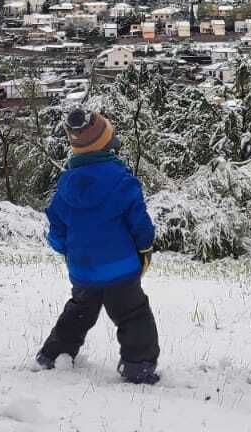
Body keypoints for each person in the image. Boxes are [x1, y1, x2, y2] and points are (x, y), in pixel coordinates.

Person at [35, 109, 162, 385]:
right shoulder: (122, 180)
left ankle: (53, 354)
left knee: (79, 312)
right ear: (107, 145)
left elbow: (57, 229)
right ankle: (138, 365)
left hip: (83, 268)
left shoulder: (66, 184)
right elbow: (139, 222)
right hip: (120, 269)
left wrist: (67, 250)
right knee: (133, 315)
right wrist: (145, 248)